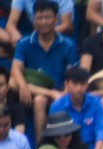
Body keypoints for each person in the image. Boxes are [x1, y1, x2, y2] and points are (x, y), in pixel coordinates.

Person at [10, 0, 77, 141]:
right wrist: (22, 86)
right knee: (14, 83)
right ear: (33, 20)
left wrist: (63, 92)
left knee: (40, 100)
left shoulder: (68, 45)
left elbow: (72, 75)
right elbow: (16, 68)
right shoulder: (24, 42)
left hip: (58, 90)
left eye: (48, 18)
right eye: (39, 18)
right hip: (31, 89)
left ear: (56, 19)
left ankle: (42, 146)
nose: (43, 22)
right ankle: (40, 147)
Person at [49, 67, 103, 149]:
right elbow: (53, 135)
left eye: (82, 84)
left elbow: (101, 131)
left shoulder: (96, 103)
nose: (79, 88)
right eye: (75, 84)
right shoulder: (56, 106)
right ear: (66, 84)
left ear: (87, 85)